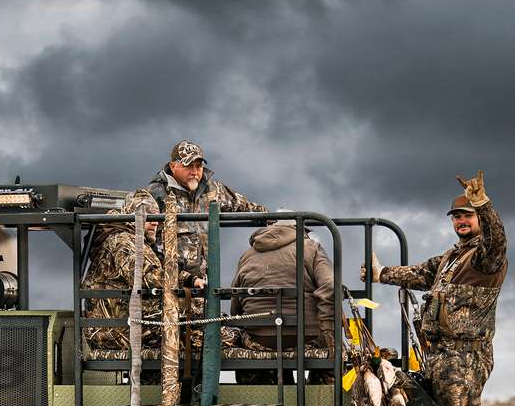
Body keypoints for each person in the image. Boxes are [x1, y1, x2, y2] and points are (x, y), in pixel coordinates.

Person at [362, 171, 507, 406]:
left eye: (467, 216)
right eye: (457, 216)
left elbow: (498, 240)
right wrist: (382, 275)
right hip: (438, 356)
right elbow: (421, 273)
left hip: (465, 358)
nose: (461, 221)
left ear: (478, 220)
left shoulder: (486, 259)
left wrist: (484, 205)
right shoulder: (451, 259)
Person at [83, 140, 267, 358]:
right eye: (189, 166)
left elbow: (247, 208)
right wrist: (187, 280)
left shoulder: (212, 190)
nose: (195, 171)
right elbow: (150, 274)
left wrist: (276, 224)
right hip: (158, 299)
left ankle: (199, 383)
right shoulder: (151, 203)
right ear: (173, 166)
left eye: (198, 166)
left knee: (209, 322)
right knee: (208, 333)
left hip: (192, 289)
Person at [229, 220, 335, 383]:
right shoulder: (312, 248)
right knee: (331, 344)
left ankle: (260, 395)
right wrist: (327, 327)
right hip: (306, 339)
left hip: (258, 340)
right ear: (299, 229)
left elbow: (235, 309)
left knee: (245, 337)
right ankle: (322, 397)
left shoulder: (247, 255)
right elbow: (330, 286)